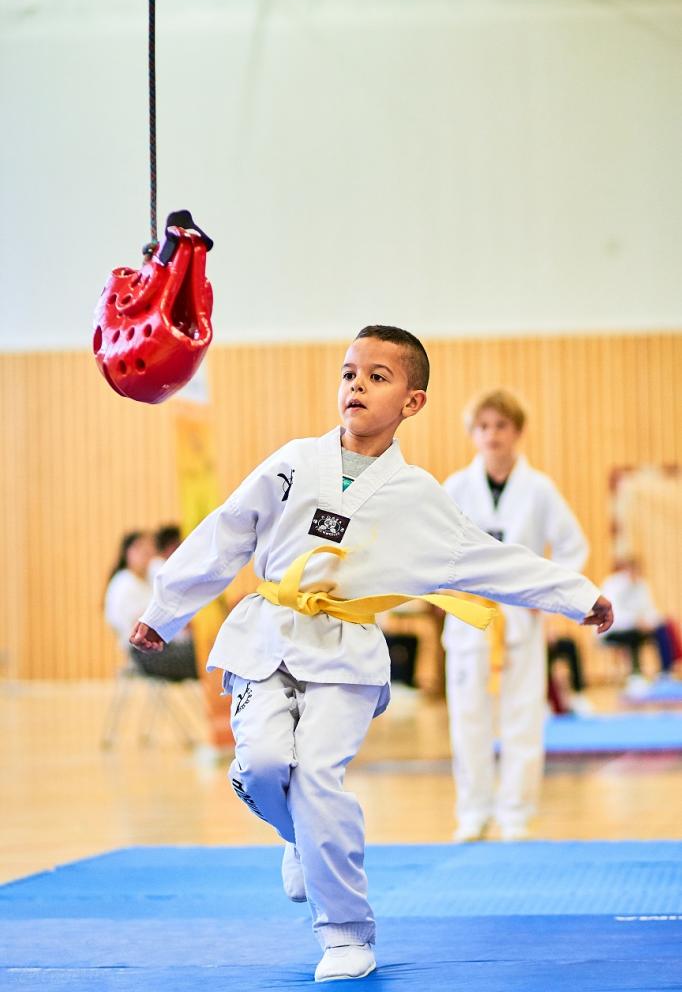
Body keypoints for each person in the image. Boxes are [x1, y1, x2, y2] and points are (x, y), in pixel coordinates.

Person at [129, 327, 612, 984]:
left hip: (345, 653)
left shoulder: (417, 496)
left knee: (319, 779)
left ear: (413, 402)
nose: (355, 384)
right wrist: (166, 610)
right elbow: (226, 533)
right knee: (267, 763)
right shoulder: (295, 461)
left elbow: (490, 561)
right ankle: (299, 837)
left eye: (377, 376)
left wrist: (576, 596)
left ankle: (346, 931)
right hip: (270, 634)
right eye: (349, 372)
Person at [441, 389, 590, 842]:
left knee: (524, 719)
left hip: (521, 624)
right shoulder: (454, 488)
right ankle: (473, 811)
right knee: (468, 721)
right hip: (470, 622)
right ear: (473, 434)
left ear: (518, 432)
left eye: (501, 426)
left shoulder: (538, 489)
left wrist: (549, 598)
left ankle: (516, 813)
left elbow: (572, 547)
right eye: (483, 427)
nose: (492, 435)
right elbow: (433, 549)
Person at [105, 529, 198, 682]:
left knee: (206, 649)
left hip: (164, 645)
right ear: (128, 553)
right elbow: (138, 626)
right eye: (141, 550)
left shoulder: (150, 579)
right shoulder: (123, 583)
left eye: (149, 550)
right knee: (204, 655)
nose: (147, 554)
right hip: (144, 652)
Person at [599, 557, 672, 696]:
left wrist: (654, 621)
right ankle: (635, 676)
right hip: (613, 630)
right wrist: (635, 621)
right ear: (625, 570)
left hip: (637, 627)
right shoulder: (612, 585)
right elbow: (612, 615)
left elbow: (650, 610)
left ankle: (665, 673)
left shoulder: (641, 585)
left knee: (662, 628)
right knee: (633, 634)